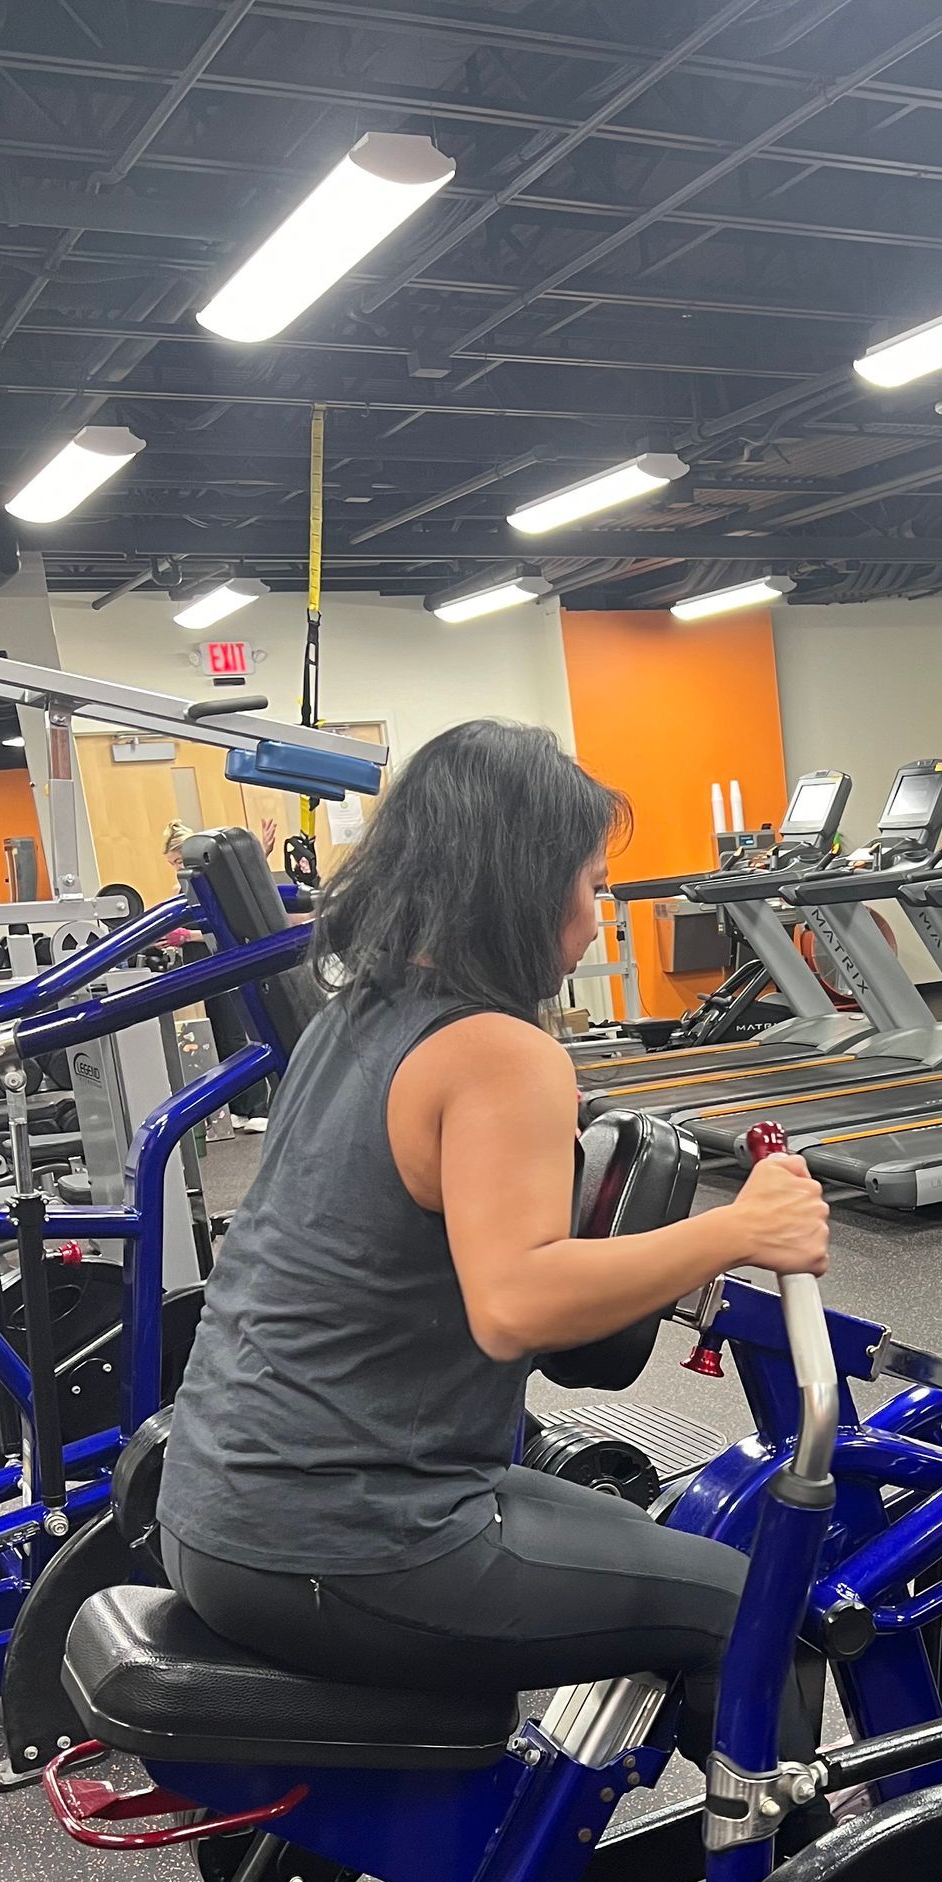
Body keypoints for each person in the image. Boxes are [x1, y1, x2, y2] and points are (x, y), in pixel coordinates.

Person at [157, 718, 830, 1778]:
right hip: (355, 1543)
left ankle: (606, 1839)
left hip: (214, 1517)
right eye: (592, 882)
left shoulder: (356, 1014)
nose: (598, 911)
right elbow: (516, 1304)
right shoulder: (502, 1050)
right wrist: (739, 1229)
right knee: (751, 1603)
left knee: (642, 1539)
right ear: (522, 883)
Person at [160, 816, 274, 1132]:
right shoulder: (181, 885)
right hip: (201, 961)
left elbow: (225, 916)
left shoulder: (208, 880)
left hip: (222, 954)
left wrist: (187, 936)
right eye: (173, 863)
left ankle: (258, 1108)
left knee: (238, 1034)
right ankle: (237, 1107)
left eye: (181, 860)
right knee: (220, 1034)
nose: (178, 867)